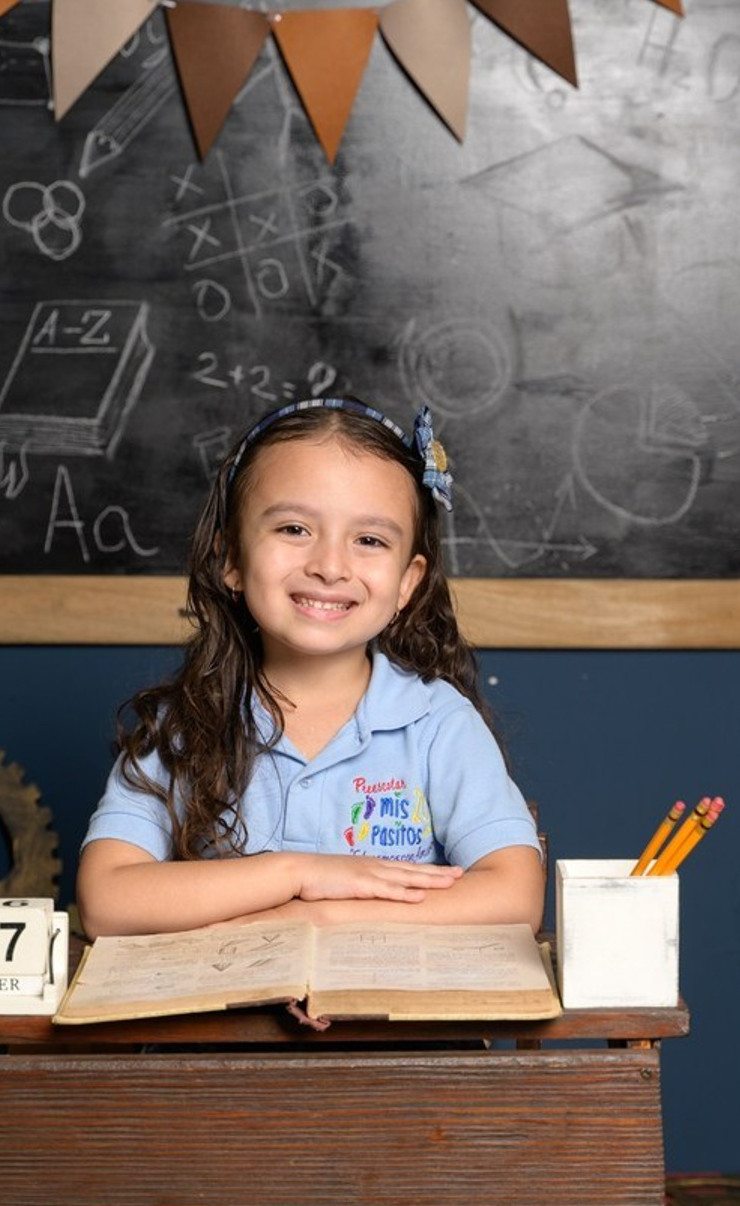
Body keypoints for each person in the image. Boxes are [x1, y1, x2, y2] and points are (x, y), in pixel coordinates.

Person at [77, 395, 544, 941]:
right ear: (231, 558)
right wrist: (297, 873)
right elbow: (106, 901)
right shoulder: (184, 722)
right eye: (294, 529)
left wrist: (317, 916)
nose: (329, 566)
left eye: (369, 540)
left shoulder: (437, 723)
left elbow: (515, 896)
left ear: (407, 582)